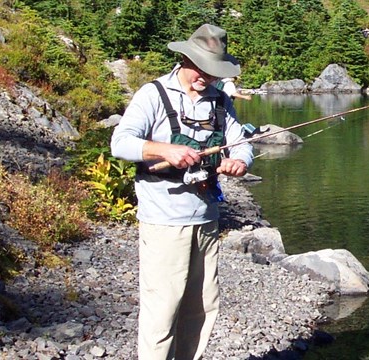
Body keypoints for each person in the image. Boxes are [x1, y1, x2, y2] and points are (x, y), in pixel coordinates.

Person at [110, 24, 253, 360]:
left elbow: (242, 143)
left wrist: (240, 162)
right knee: (163, 309)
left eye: (214, 73)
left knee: (202, 306)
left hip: (206, 218)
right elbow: (121, 142)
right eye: (202, 70)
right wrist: (163, 150)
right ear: (185, 59)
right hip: (163, 220)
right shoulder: (153, 94)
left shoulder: (220, 101)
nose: (207, 78)